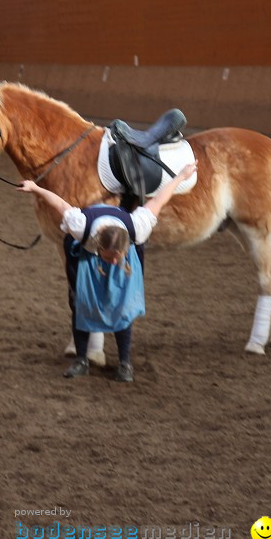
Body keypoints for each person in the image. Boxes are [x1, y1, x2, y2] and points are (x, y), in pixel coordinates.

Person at [17, 161, 198, 382]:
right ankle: (81, 360)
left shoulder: (137, 226)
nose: (113, 261)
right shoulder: (80, 226)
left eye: (117, 257)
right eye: (109, 257)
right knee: (81, 302)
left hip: (117, 240)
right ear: (100, 248)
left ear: (126, 249)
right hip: (88, 253)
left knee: (122, 306)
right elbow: (62, 205)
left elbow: (159, 200)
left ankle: (125, 363)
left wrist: (181, 176)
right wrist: (35, 188)